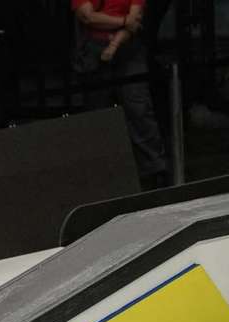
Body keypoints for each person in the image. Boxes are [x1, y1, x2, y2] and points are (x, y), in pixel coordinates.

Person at [72, 0, 167, 187]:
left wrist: (116, 38)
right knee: (98, 114)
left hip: (128, 48)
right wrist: (124, 22)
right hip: (95, 48)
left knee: (138, 108)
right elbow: (87, 16)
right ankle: (100, 173)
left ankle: (154, 171)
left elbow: (135, 17)